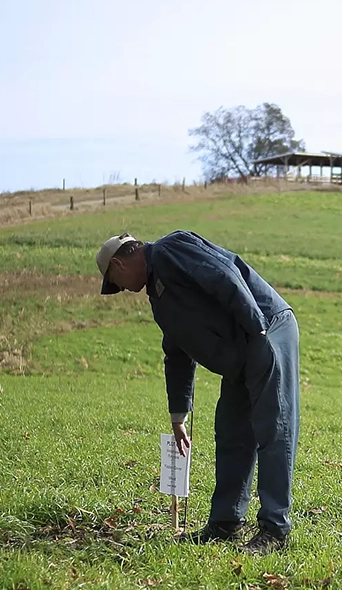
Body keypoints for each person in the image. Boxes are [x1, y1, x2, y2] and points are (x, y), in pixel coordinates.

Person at [95, 230, 299, 554]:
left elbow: (224, 275)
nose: (121, 290)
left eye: (116, 283)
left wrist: (257, 328)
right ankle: (225, 524)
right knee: (231, 432)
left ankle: (274, 529)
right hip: (242, 350)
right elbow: (177, 354)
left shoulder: (169, 249)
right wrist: (179, 415)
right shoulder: (159, 300)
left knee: (273, 428)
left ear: (119, 263)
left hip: (264, 329)